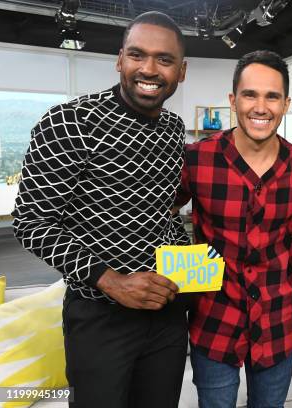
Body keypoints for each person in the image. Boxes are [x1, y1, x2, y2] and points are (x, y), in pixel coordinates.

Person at [12, 12, 189, 408]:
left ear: (181, 71)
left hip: (165, 315)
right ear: (119, 59)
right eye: (137, 55)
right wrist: (110, 281)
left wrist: (190, 265)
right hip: (98, 315)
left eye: (164, 59)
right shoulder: (70, 121)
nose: (149, 69)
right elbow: (31, 221)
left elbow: (163, 212)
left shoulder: (174, 128)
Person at [175, 50, 292, 407]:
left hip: (276, 320)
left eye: (272, 96)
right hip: (213, 318)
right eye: (250, 94)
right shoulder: (196, 158)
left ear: (286, 104)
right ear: (232, 100)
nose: (261, 106)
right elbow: (158, 216)